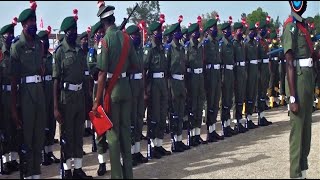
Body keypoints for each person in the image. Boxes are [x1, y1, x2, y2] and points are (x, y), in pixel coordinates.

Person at [92, 4, 139, 179]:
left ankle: (117, 176)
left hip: (112, 92)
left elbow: (102, 73)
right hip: (126, 88)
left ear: (103, 21)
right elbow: (136, 65)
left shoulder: (105, 41)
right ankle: (128, 174)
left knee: (112, 135)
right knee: (126, 132)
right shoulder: (126, 38)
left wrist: (97, 101)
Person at [52, 9, 92, 179]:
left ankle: (78, 169)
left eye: (75, 30)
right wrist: (55, 107)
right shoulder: (60, 51)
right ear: (65, 32)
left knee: (78, 133)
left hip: (79, 97)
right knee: (67, 134)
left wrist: (88, 98)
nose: (73, 33)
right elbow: (55, 80)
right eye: (70, 31)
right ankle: (67, 170)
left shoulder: (79, 51)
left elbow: (85, 75)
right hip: (65, 98)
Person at [9, 1, 47, 178]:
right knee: (27, 137)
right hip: (25, 95)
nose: (32, 25)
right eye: (29, 23)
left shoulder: (39, 44)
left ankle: (36, 174)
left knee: (38, 136)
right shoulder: (17, 47)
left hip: (39, 93)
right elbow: (14, 79)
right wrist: (14, 108)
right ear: (23, 25)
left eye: (34, 21)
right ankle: (27, 174)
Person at [283, 1, 314, 179]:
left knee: (306, 133)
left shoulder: (302, 25)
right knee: (297, 134)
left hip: (307, 80)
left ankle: (303, 173)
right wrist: (292, 98)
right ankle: (295, 175)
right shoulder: (291, 27)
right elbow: (289, 61)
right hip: (298, 81)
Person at [144, 21, 172, 159]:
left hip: (162, 84)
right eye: (158, 32)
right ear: (152, 33)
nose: (160, 34)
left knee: (162, 115)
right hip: (153, 84)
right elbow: (144, 70)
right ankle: (152, 147)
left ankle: (159, 145)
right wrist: (145, 90)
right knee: (153, 116)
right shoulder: (149, 48)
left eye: (161, 31)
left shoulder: (161, 48)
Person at [125, 25, 149, 165]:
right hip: (131, 85)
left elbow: (143, 71)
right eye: (135, 35)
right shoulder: (127, 51)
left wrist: (145, 90)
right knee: (132, 120)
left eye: (138, 34)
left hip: (140, 85)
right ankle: (130, 153)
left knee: (139, 118)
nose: (138, 37)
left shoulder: (139, 50)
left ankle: (137, 151)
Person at [165, 22, 191, 152]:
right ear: (173, 34)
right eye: (177, 31)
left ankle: (179, 140)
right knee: (174, 114)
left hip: (181, 82)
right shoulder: (169, 48)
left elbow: (184, 67)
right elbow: (166, 69)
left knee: (181, 112)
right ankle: (173, 141)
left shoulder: (181, 48)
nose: (180, 33)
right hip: (173, 83)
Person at [88, 21, 108, 176]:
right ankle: (102, 162)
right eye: (98, 33)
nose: (101, 35)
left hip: (110, 87)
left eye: (102, 32)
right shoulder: (92, 52)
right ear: (95, 36)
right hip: (98, 89)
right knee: (100, 129)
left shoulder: (108, 47)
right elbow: (93, 70)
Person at [37, 27, 60, 166]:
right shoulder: (37, 57)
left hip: (51, 95)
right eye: (43, 40)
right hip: (40, 96)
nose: (45, 43)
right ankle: (42, 154)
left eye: (46, 40)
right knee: (42, 125)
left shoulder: (52, 57)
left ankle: (49, 152)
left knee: (51, 125)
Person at [0, 17, 19, 175]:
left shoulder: (13, 54)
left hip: (14, 94)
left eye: (12, 34)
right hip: (3, 96)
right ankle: (5, 161)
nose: (11, 37)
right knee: (5, 129)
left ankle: (13, 159)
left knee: (13, 128)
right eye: (8, 35)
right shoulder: (1, 56)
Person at [202, 18, 225, 141]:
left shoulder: (216, 43)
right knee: (210, 103)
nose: (216, 30)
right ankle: (208, 131)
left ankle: (213, 130)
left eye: (216, 28)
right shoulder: (205, 43)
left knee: (216, 102)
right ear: (209, 30)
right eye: (214, 28)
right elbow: (204, 61)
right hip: (210, 73)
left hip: (216, 73)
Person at [185, 23, 206, 146]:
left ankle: (197, 134)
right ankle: (191, 136)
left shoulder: (200, 46)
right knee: (192, 107)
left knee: (199, 106)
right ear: (191, 34)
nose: (197, 34)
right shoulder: (188, 47)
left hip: (200, 78)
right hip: (192, 79)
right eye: (195, 32)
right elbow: (185, 65)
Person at [219, 22, 238, 137]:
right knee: (224, 101)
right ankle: (223, 126)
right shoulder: (221, 44)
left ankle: (228, 125)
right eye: (228, 30)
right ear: (224, 31)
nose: (230, 32)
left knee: (229, 101)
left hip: (231, 73)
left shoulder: (230, 44)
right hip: (224, 74)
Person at [232, 22, 248, 133]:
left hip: (242, 72)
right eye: (239, 30)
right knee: (235, 98)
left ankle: (239, 121)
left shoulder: (242, 43)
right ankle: (235, 123)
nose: (241, 32)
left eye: (242, 30)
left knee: (240, 98)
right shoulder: (233, 43)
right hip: (236, 73)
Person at [257, 20, 272, 126]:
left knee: (263, 93)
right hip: (259, 70)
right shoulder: (257, 41)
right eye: (265, 29)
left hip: (265, 69)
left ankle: (262, 116)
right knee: (260, 93)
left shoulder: (264, 41)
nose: (266, 31)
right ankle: (259, 117)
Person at [244, 22, 260, 130]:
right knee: (248, 95)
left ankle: (250, 118)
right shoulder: (245, 43)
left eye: (253, 31)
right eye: (251, 31)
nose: (252, 33)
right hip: (248, 72)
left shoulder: (254, 43)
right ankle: (245, 120)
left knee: (253, 94)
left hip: (255, 71)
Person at [79, 31, 93, 138]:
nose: (85, 41)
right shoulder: (79, 53)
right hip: (82, 82)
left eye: (87, 40)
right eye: (84, 40)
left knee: (90, 105)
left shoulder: (90, 52)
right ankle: (83, 128)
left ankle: (89, 127)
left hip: (90, 81)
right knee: (82, 106)